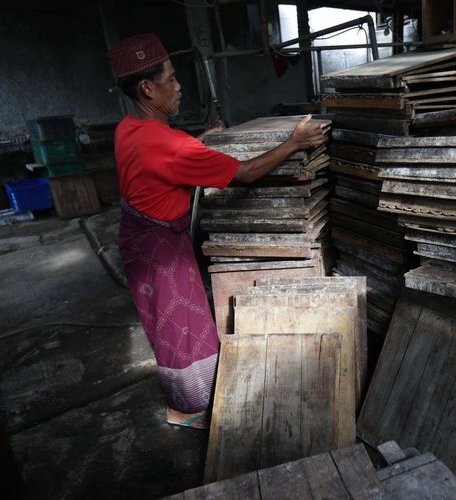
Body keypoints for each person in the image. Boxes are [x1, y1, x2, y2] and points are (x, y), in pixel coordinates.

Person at [106, 33, 325, 429]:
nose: (179, 86)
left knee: (167, 324)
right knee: (182, 330)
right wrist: (293, 142)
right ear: (146, 87)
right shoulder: (170, 146)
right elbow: (244, 173)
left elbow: (161, 158)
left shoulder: (129, 129)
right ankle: (188, 410)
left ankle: (188, 403)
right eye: (170, 78)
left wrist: (196, 146)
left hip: (140, 240)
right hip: (161, 252)